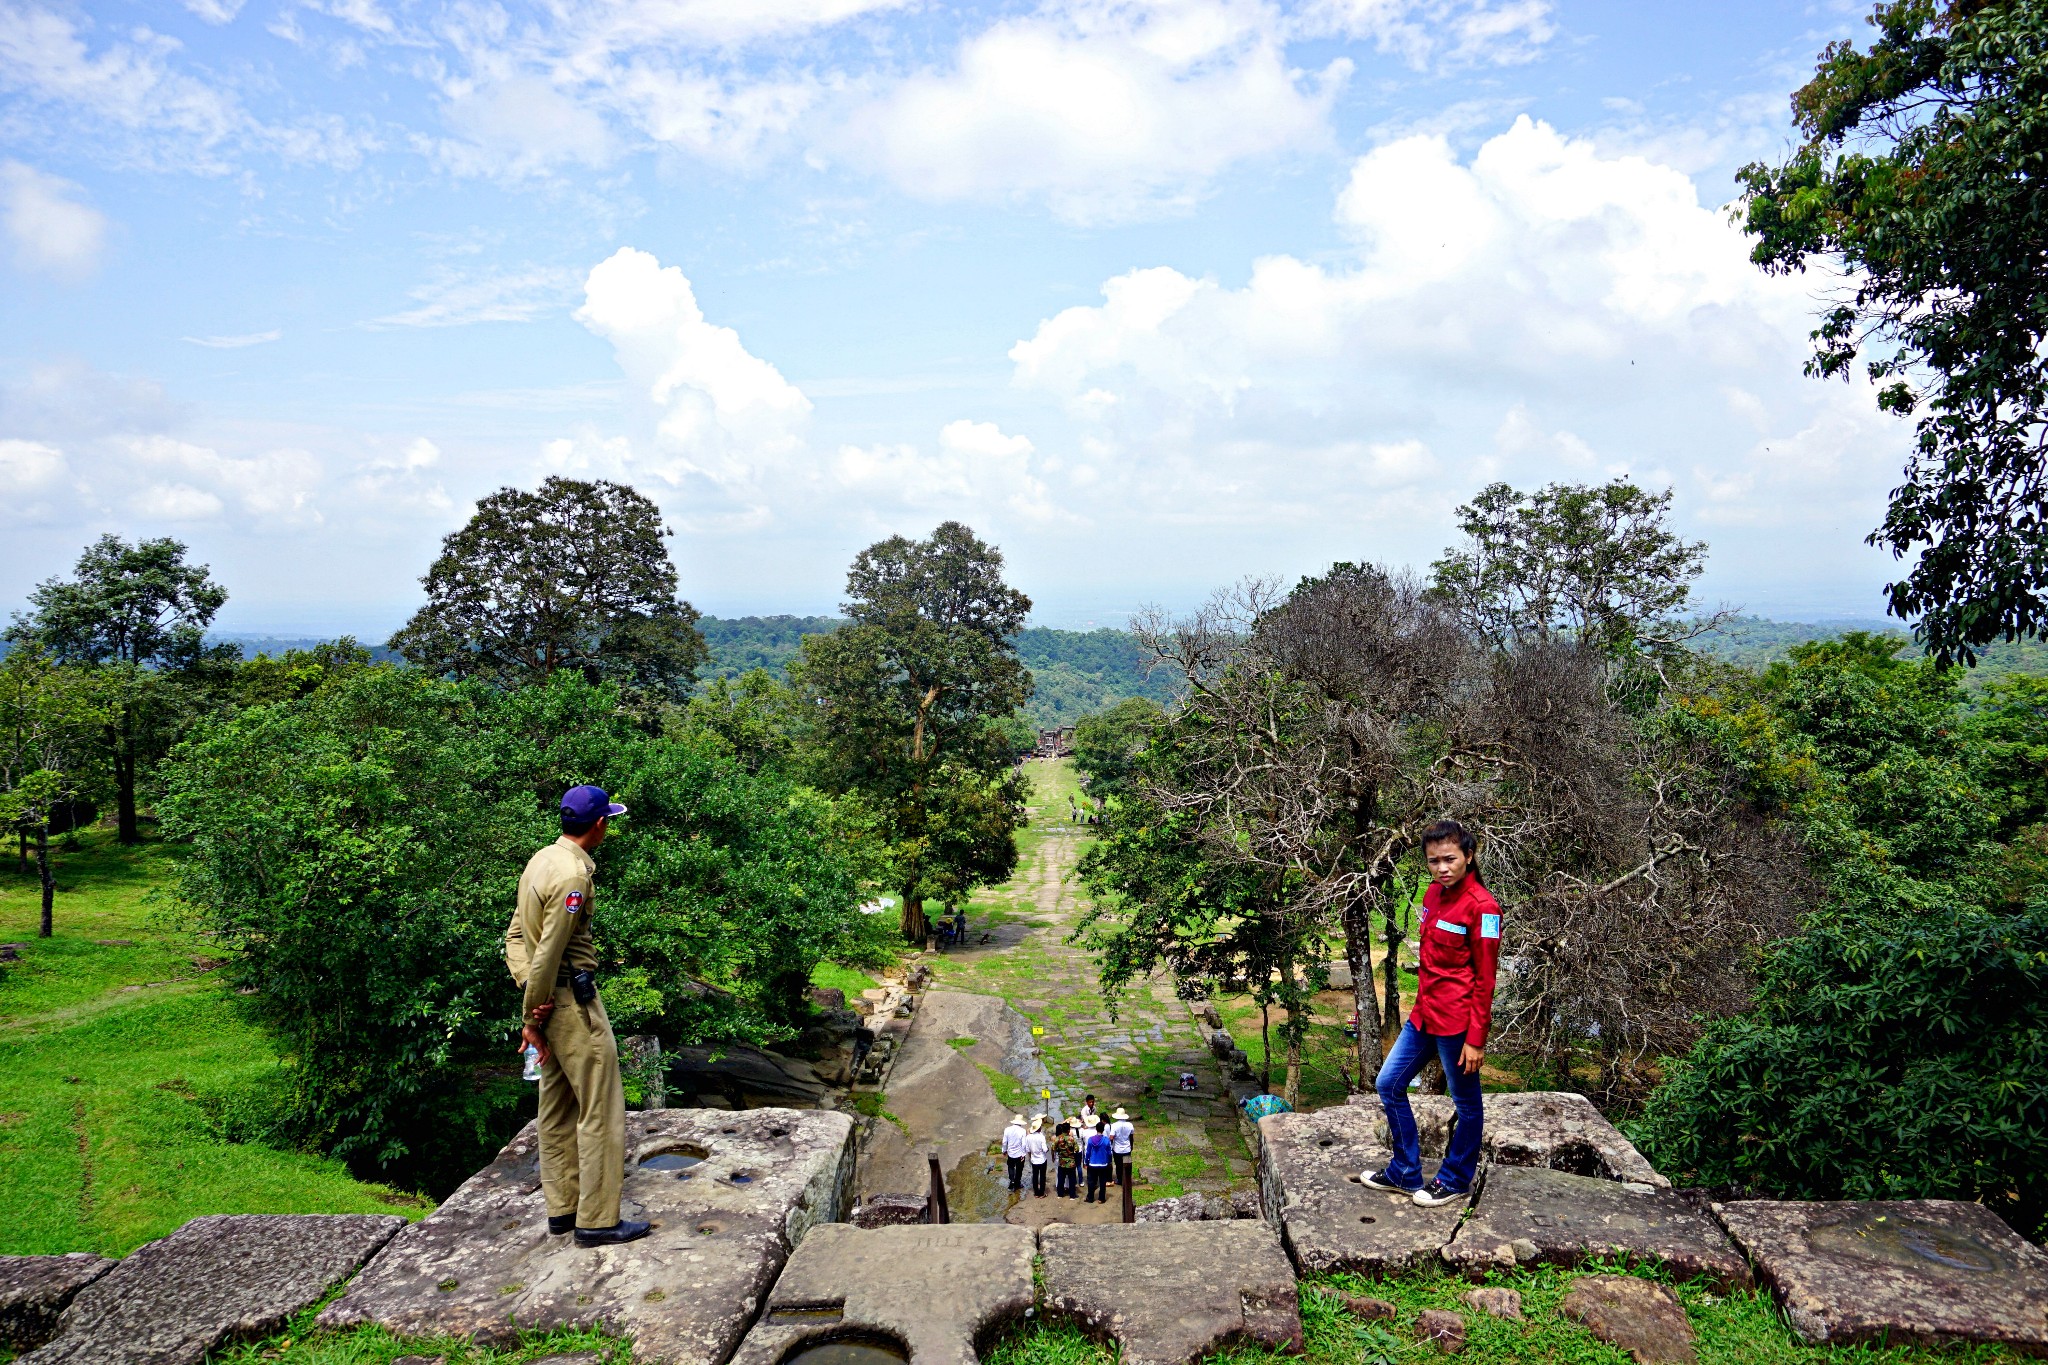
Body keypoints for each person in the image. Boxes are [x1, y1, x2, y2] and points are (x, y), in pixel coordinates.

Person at [505, 785, 649, 1247]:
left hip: (548, 999)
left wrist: (531, 995)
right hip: (570, 1004)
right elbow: (549, 950)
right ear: (600, 824)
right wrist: (532, 1014)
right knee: (601, 1109)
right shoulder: (573, 876)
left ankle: (563, 1211)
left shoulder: (541, 859)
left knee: (557, 1107)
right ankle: (598, 1221)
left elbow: (514, 936)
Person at [1361, 819, 1500, 1208]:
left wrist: (1476, 1039)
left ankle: (1455, 1178)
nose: (1442, 868)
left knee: (1468, 1105)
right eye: (1433, 860)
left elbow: (1486, 980)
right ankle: (1405, 1172)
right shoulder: (1432, 896)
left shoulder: (1484, 908)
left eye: (1450, 859)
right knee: (1388, 1084)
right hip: (1425, 1016)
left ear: (1469, 856)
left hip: (1458, 1023)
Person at [1083, 1122, 1114, 1203]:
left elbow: (1088, 1152)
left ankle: (1090, 1198)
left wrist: (1086, 1162)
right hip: (1103, 1164)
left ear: (1096, 1129)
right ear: (1103, 1130)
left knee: (1091, 1181)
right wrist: (1109, 1161)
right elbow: (1109, 1153)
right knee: (1102, 1182)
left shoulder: (1090, 1140)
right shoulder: (1106, 1140)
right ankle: (1101, 1198)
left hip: (1092, 1164)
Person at [1108, 1107, 1135, 1186]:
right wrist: (1131, 1146)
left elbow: (1111, 1137)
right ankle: (1126, 1179)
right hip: (1127, 1148)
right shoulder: (1130, 1125)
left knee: (1118, 1165)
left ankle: (1120, 1179)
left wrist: (1111, 1145)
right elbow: (1131, 1137)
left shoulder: (1114, 1126)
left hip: (1117, 1149)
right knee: (1127, 1165)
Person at [1052, 1121, 1080, 1198]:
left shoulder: (1058, 1139)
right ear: (1068, 1130)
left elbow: (1053, 1148)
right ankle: (1072, 1195)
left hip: (1062, 1162)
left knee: (1061, 1178)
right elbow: (1077, 1149)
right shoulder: (1072, 1139)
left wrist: (1053, 1157)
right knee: (1072, 1179)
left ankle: (1060, 1194)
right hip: (1071, 1162)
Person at [1001, 1113, 1028, 1191]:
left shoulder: (1007, 1129)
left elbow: (1004, 1142)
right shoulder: (1023, 1131)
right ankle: (1017, 1182)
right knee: (1019, 1169)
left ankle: (1012, 1181)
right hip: (1019, 1154)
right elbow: (1024, 1144)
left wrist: (1004, 1150)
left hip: (1011, 1153)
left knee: (1010, 1167)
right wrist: (1023, 1154)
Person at [1026, 1115, 1050, 1197]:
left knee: (1035, 1176)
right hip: (1042, 1159)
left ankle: (1036, 1192)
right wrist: (1048, 1149)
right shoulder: (1041, 1137)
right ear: (1039, 1128)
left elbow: (1028, 1150)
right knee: (1042, 1176)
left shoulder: (1028, 1137)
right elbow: (1045, 1149)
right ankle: (1042, 1192)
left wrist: (1031, 1156)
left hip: (1034, 1160)